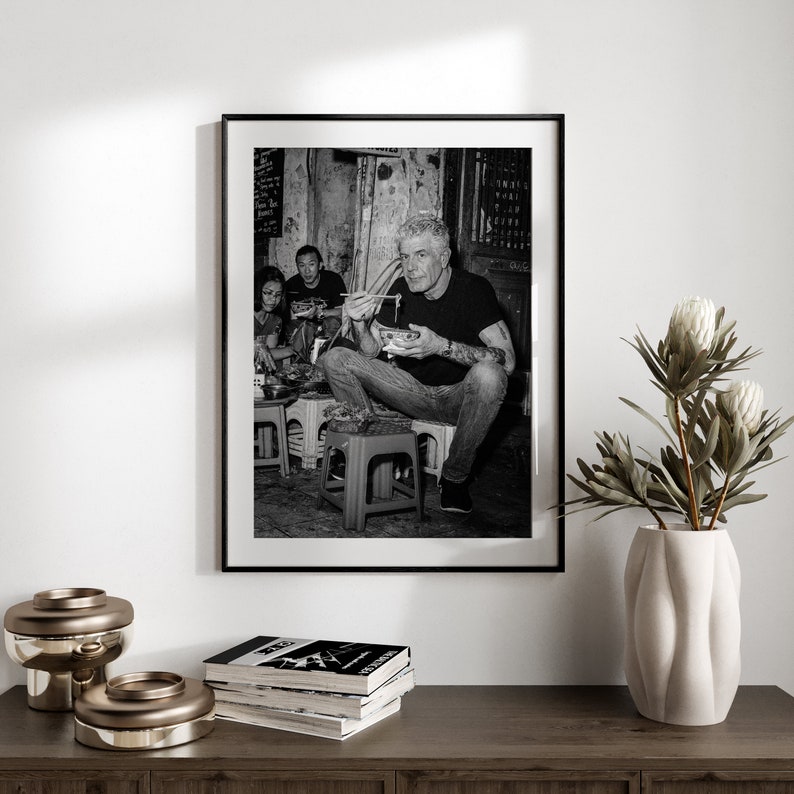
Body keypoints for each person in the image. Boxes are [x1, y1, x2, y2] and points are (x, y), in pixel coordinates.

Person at [319, 215, 515, 514]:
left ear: (444, 256)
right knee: (335, 358)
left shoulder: (473, 289)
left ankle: (454, 478)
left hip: (458, 398)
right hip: (409, 391)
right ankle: (362, 450)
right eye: (404, 256)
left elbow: (509, 361)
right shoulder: (400, 288)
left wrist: (440, 346)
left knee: (490, 374)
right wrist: (360, 323)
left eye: (420, 255)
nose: (410, 267)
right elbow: (371, 353)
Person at [285, 245, 346, 342]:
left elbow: (343, 310)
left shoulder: (333, 280)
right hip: (304, 325)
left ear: (320, 265)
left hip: (327, 325)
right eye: (302, 265)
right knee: (290, 326)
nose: (307, 270)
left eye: (311, 264)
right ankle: (299, 355)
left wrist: (319, 313)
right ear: (297, 267)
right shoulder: (291, 285)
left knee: (332, 322)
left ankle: (328, 352)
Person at [254, 266, 293, 373]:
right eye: (268, 293)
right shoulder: (242, 315)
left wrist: (294, 349)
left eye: (278, 295)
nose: (273, 299)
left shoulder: (275, 321)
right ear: (257, 290)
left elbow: (269, 353)